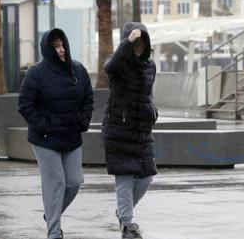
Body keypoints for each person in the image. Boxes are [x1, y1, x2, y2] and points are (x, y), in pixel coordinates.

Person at [18, 28, 93, 239]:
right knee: (56, 184)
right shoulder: (36, 73)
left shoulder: (79, 70)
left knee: (74, 182)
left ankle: (51, 214)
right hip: (45, 140)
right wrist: (44, 126)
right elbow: (24, 104)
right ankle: (54, 232)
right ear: (48, 49)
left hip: (71, 137)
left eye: (62, 45)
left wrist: (83, 121)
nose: (60, 50)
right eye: (55, 46)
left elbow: (88, 98)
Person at [102, 22, 158, 239]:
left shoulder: (150, 66)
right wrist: (127, 42)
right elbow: (110, 67)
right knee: (124, 178)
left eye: (142, 43)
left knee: (146, 178)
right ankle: (127, 224)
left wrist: (152, 111)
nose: (138, 47)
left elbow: (148, 93)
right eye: (135, 43)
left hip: (141, 129)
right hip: (118, 129)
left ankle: (123, 212)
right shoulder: (118, 66)